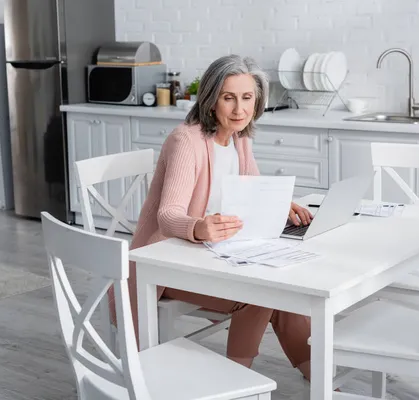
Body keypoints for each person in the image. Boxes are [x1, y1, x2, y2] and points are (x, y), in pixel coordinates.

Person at [122, 54, 314, 379]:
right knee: (261, 295)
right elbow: (168, 216)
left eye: (247, 98)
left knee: (283, 294)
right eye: (229, 98)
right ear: (211, 100)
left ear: (257, 102)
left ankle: (322, 383)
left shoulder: (239, 138)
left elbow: (253, 188)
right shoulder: (187, 141)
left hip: (213, 256)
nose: (239, 109)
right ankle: (234, 382)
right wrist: (199, 227)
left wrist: (283, 203)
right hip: (164, 265)